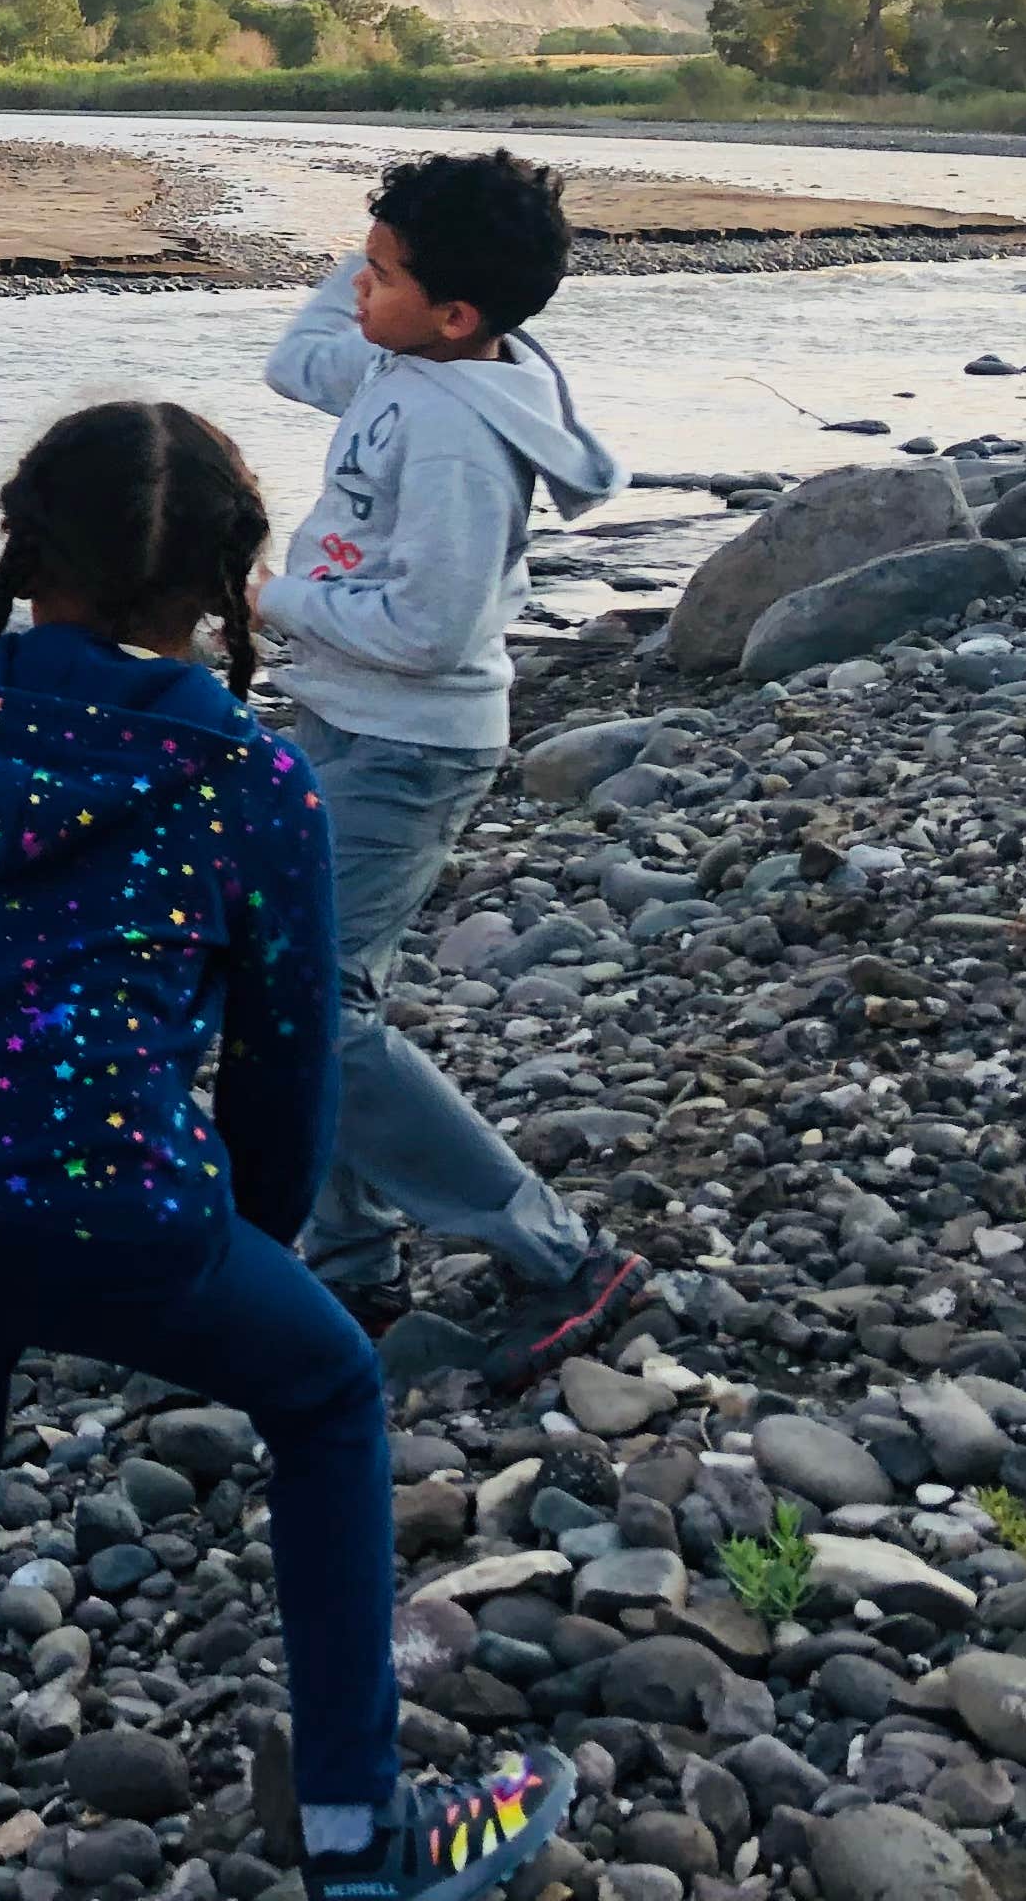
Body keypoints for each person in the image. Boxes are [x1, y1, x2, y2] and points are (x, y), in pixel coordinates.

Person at [0, 400, 573, 1901]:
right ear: (228, 587)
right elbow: (287, 1068)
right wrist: (257, 1248)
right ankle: (364, 1843)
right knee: (332, 1389)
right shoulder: (254, 784)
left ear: (29, 551)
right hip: (128, 1220)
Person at [256, 148, 644, 1390]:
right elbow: (292, 355)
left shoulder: (466, 439)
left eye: (382, 276)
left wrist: (266, 604)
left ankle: (562, 1254)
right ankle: (349, 1265)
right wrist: (392, 240)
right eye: (364, 271)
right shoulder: (402, 356)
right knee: (294, 999)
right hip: (342, 722)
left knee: (315, 1014)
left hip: (406, 748)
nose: (357, 293)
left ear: (459, 313)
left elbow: (433, 633)